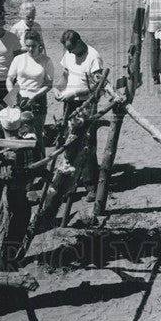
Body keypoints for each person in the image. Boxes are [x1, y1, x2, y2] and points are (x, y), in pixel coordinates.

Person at [55, 29, 105, 202]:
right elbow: (65, 74)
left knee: (87, 142)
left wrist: (76, 92)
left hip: (86, 104)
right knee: (69, 140)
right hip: (70, 102)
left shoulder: (93, 57)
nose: (69, 53)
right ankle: (72, 183)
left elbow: (97, 87)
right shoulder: (69, 54)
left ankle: (91, 184)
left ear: (79, 42)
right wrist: (59, 88)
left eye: (71, 49)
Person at [6, 29, 53, 149]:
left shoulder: (46, 61)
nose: (30, 49)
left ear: (39, 44)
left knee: (38, 133)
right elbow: (9, 79)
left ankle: (41, 162)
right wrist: (12, 95)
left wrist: (35, 96)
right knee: (18, 133)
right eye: (28, 46)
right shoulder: (19, 59)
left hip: (38, 98)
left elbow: (48, 84)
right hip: (19, 99)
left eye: (33, 46)